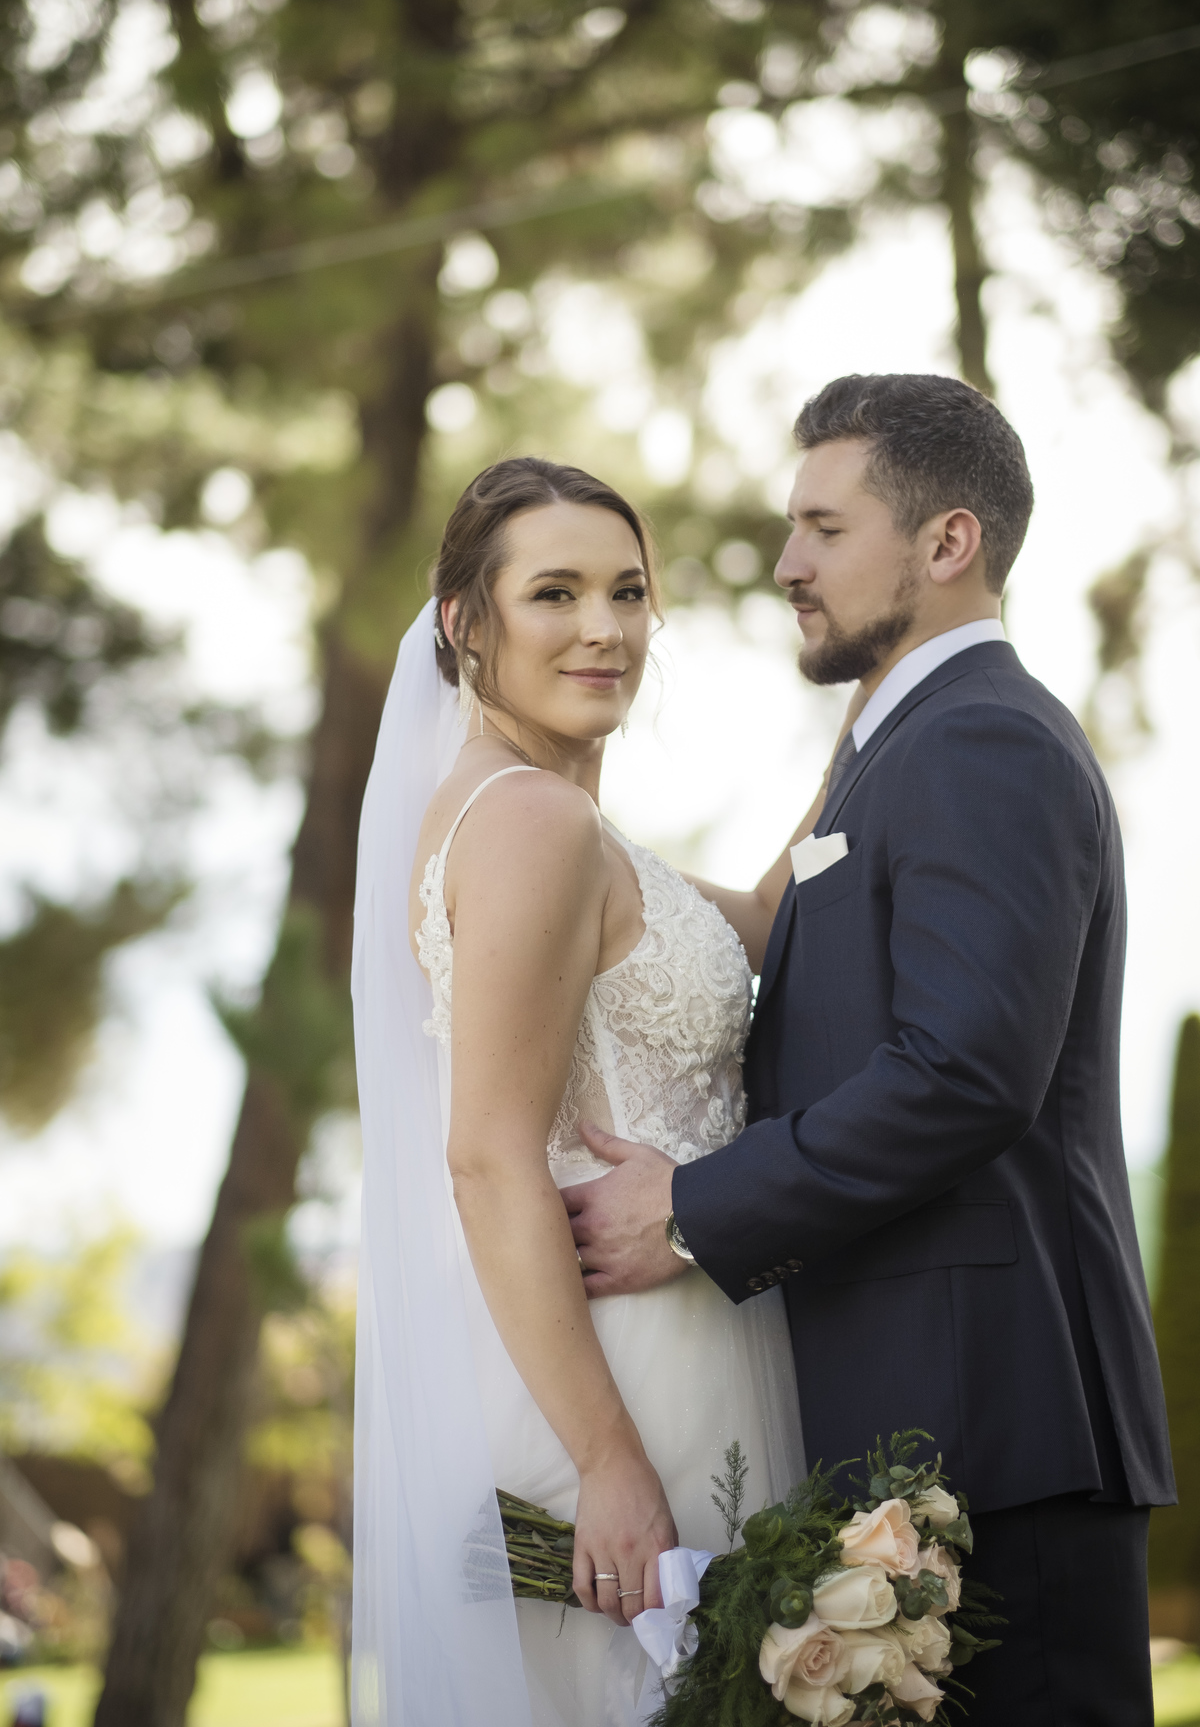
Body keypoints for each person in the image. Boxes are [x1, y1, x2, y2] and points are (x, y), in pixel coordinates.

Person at [566, 373, 1176, 1727]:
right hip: (921, 1426)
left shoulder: (982, 743)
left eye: (825, 529)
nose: (787, 564)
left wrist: (692, 1205)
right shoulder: (893, 748)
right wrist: (546, 830)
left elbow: (963, 1070)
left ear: (946, 542)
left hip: (1000, 1435)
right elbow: (769, 949)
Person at [350, 457, 809, 1727]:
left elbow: (771, 921)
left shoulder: (560, 826)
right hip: (621, 1373)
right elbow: (488, 1157)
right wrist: (610, 1462)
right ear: (465, 624)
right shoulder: (530, 826)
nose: (605, 628)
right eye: (554, 593)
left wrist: (876, 712)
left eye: (628, 591)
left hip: (660, 1333)